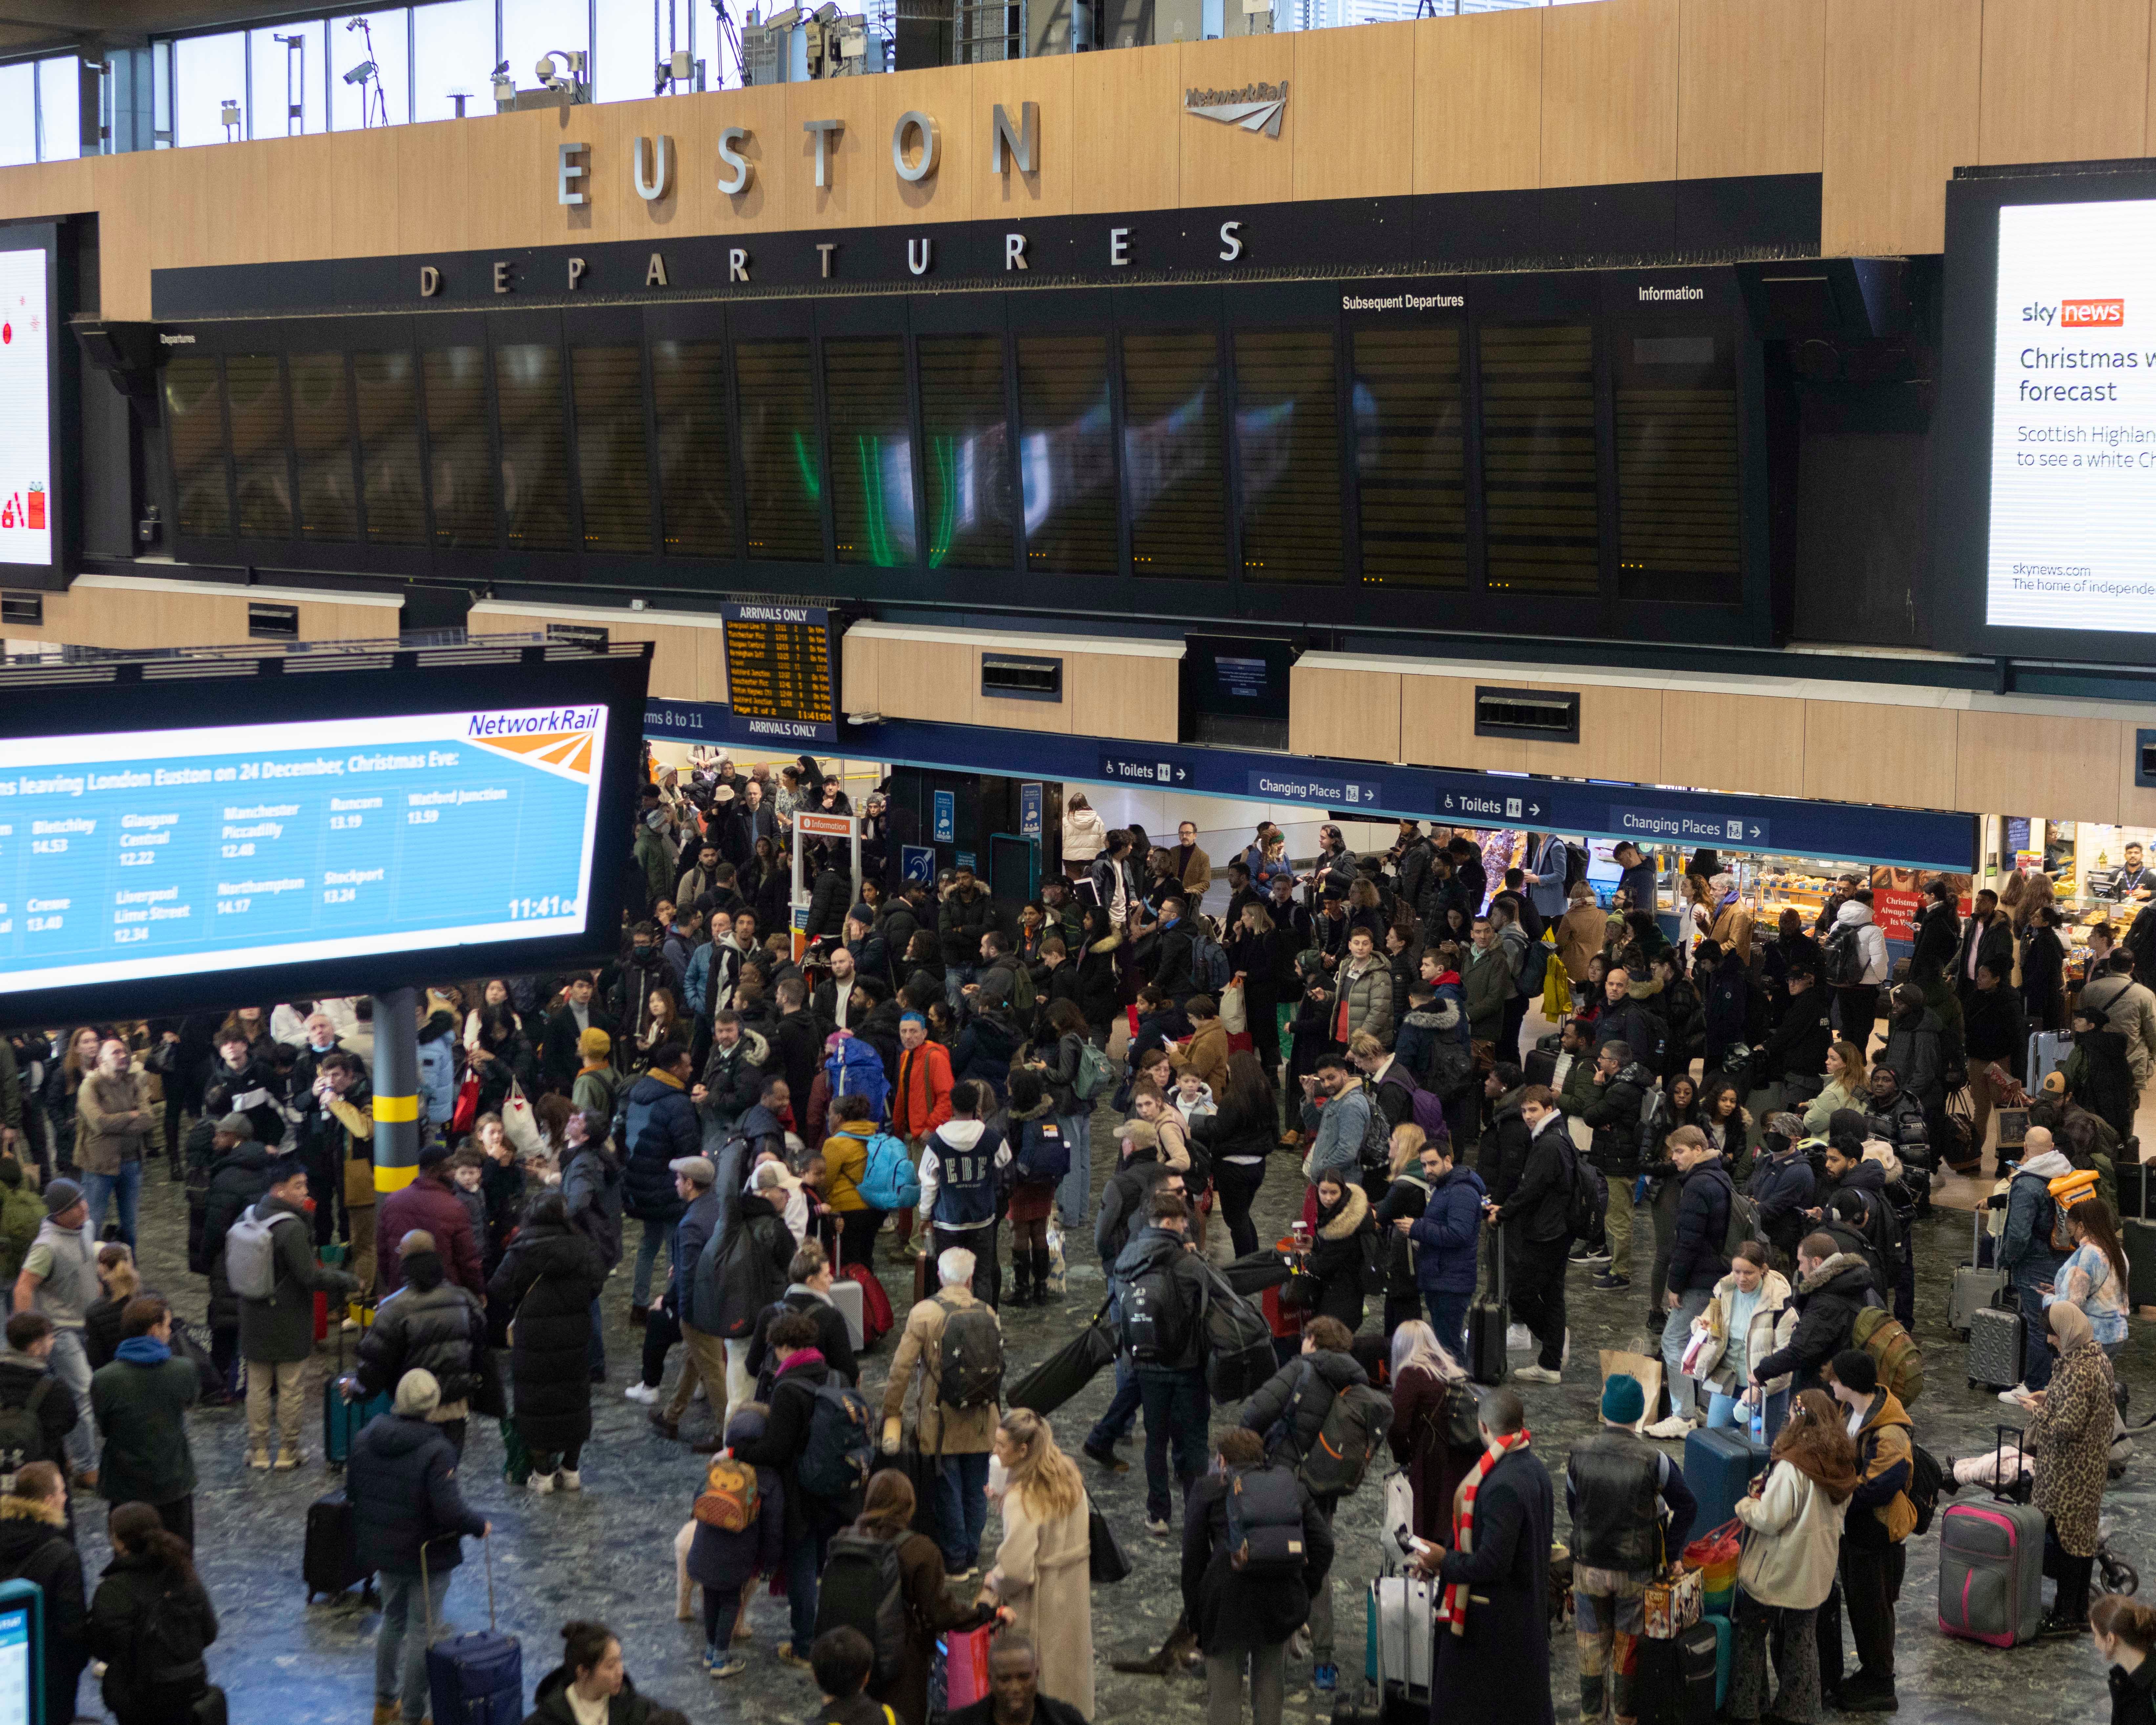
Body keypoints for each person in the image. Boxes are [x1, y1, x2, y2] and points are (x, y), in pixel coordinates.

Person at [1235, 1315, 1373, 1691]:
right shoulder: (1356, 1382)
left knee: (1277, 1562)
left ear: (1312, 1340)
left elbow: (1255, 1412)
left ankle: (1270, 1662)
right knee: (1319, 1563)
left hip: (1285, 1481)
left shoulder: (1301, 1369)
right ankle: (1324, 1665)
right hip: (1325, 1486)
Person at [349, 1368, 491, 1725]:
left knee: (392, 1621)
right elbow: (449, 1510)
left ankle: (384, 1705)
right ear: (433, 1404)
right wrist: (479, 1525)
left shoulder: (365, 1437)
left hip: (384, 1549)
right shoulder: (437, 1449)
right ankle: (414, 1714)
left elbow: (354, 1493)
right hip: (427, 1555)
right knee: (423, 1633)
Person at [726, 1309, 862, 1668]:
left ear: (786, 1347)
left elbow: (776, 1449)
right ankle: (836, 1636)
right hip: (837, 1487)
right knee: (826, 1565)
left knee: (802, 1566)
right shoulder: (835, 1375)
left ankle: (804, 1646)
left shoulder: (788, 1388)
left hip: (801, 1492)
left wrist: (736, 1451)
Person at [1568, 1373, 1699, 1724]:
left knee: (1590, 1649)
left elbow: (1573, 1506)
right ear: (1639, 1414)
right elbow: (1686, 1505)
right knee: (1629, 1651)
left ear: (1604, 1408)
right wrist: (1673, 1553)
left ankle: (1590, 1716)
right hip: (1636, 1571)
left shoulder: (1578, 1451)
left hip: (1588, 1567)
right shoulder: (1654, 1458)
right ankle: (1625, 1719)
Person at [1182, 1424, 1332, 1725]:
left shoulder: (1208, 1489)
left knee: (1224, 1700)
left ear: (1222, 1461)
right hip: (1278, 1600)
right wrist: (1304, 1588)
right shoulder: (1291, 1488)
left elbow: (1193, 1560)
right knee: (1269, 1696)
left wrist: (1196, 1619)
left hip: (1225, 1603)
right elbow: (1324, 1545)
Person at [1726, 1388, 1857, 1725]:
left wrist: (1745, 1506)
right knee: (1802, 1639)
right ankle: (1798, 1711)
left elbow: (1771, 1517)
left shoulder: (1792, 1466)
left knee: (1752, 1634)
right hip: (1816, 1570)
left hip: (1778, 1569)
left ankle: (1747, 1707)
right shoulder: (1842, 1464)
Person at [881, 1245, 1005, 1575]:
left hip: (941, 1420)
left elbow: (901, 1368)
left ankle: (955, 1558)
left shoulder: (924, 1313)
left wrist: (890, 1411)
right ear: (969, 1278)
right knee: (976, 1486)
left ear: (939, 1276)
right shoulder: (988, 1312)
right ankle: (973, 1554)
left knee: (948, 1488)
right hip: (982, 1417)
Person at [238, 1157, 360, 1470]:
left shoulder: (249, 1215)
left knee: (258, 1386)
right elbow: (309, 1276)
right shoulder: (290, 1227)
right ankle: (287, 1451)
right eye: (298, 1186)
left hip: (253, 1313)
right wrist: (347, 1280)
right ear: (280, 1190)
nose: (306, 1191)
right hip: (288, 1316)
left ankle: (259, 1450)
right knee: (291, 1386)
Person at [839, 1469, 986, 1725]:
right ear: (909, 1505)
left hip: (849, 1650)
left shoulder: (845, 1540)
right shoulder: (920, 1550)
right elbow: (939, 1612)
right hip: (901, 1659)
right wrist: (982, 1613)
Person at [978, 1409, 1095, 1719]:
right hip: (1070, 1596)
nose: (995, 1451)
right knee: (1070, 1685)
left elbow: (1016, 1569)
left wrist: (993, 1581)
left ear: (1023, 1450)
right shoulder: (1068, 1477)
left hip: (1037, 1607)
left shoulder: (1021, 1496)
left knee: (1038, 1693)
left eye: (1001, 1445)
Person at [489, 1190, 606, 1493]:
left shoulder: (522, 1248)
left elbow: (498, 1288)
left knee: (535, 1403)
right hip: (574, 1334)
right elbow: (597, 1283)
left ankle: (542, 1476)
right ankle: (571, 1471)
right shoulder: (582, 1245)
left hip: (533, 1339)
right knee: (575, 1398)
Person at [1821, 1349, 1914, 1713]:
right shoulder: (1850, 1412)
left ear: (1848, 1383)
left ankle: (1881, 1683)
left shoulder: (1890, 1431)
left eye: (1834, 1379)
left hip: (1877, 1534)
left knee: (1874, 1609)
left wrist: (1834, 1491)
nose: (1830, 1383)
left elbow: (1878, 1486)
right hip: (1856, 1530)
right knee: (1861, 1606)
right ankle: (1871, 1671)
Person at [353, 1229, 486, 1461]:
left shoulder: (394, 1307)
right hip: (455, 1407)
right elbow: (480, 1349)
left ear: (404, 1258)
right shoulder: (464, 1298)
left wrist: (357, 1388)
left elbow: (375, 1362)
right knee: (446, 1472)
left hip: (412, 1411)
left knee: (415, 1478)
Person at [2029, 1300, 2119, 1637]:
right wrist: (2049, 1397)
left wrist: (2034, 1410)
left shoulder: (2078, 1370)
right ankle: (2078, 1610)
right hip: (2088, 1470)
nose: (2051, 1340)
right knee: (2080, 1542)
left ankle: (2066, 1614)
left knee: (2066, 1544)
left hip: (2068, 1475)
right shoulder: (2097, 1359)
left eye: (2052, 1334)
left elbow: (2064, 1428)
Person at [87, 1499, 218, 1725]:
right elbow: (209, 1632)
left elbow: (102, 1649)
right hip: (189, 1687)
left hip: (138, 1698)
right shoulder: (184, 1574)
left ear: (118, 1542)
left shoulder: (113, 1589)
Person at [686, 1402, 786, 1680]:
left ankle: (709, 1652)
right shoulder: (766, 1476)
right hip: (738, 1554)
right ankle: (721, 1659)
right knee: (731, 1602)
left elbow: (697, 1500)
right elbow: (774, 1525)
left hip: (704, 1546)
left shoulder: (719, 1465)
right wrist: (771, 1560)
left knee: (710, 1600)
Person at [88, 1297, 198, 1544]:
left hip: (124, 1484)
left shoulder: (105, 1379)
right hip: (172, 1479)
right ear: (154, 1329)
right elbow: (189, 1402)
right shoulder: (184, 1369)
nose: (170, 1332)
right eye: (167, 1325)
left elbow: (104, 1427)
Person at [1493, 1084, 1572, 1386]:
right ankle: (1550, 1362)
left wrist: (1502, 1212)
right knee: (1552, 1294)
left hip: (1547, 1230)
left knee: (1522, 1295)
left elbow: (1531, 1189)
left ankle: (1554, 1343)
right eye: (1524, 1110)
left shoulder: (1549, 1143)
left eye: (1533, 1110)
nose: (1527, 1116)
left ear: (1548, 1109)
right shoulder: (1558, 1136)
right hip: (1558, 1227)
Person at [620, 1041, 699, 1324]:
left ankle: (638, 1305)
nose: (691, 1069)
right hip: (668, 1186)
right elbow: (687, 1149)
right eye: (688, 1064)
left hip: (638, 1184)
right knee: (674, 1247)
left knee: (648, 1243)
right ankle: (671, 1307)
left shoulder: (637, 1092)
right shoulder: (678, 1102)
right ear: (676, 1068)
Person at [0, 1460, 85, 1723]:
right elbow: (73, 1633)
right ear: (49, 1501)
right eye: (62, 1491)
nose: (66, 1496)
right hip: (51, 1682)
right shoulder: (62, 1555)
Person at [1686, 1241, 1796, 1443]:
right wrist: (1702, 1327)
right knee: (1715, 1443)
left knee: (1762, 1450)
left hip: (1766, 1390)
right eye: (1737, 1272)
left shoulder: (1781, 1307)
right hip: (1728, 1381)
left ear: (1763, 1270)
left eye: (1749, 1273)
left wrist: (1760, 1388)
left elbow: (1787, 1359)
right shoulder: (1723, 1292)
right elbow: (1714, 1330)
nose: (1741, 1279)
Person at [916, 1081, 1011, 1308]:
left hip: (948, 1221)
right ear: (976, 1106)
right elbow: (1005, 1165)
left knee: (948, 1278)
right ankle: (986, 1321)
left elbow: (929, 1183)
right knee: (982, 1276)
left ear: (952, 1106)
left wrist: (924, 1215)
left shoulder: (937, 1142)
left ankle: (950, 1319)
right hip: (982, 1219)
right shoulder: (990, 1138)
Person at [1387, 1319, 1483, 1543]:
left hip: (1431, 1461)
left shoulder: (1411, 1374)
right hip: (1462, 1456)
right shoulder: (1451, 1368)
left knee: (1428, 1528)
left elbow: (1397, 1426)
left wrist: (1404, 1457)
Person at [2000, 1127, 2074, 1400]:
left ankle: (2033, 1388)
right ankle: (2058, 1383)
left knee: (2039, 1326)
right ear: (2053, 1145)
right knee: (2059, 1325)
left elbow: (2019, 1234)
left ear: (2024, 1146)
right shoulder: (2066, 1170)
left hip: (2034, 1263)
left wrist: (2008, 1258)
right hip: (2064, 1258)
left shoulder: (2027, 1183)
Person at [1582, 1042, 1652, 1291]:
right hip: (1617, 1156)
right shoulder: (1626, 1083)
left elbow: (1590, 1115)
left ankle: (1621, 1272)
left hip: (1619, 1161)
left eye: (1602, 1058)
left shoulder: (1620, 1089)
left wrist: (1596, 1087)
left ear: (1614, 1063)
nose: (1598, 1061)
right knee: (1616, 1215)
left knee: (1619, 1219)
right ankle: (1616, 1265)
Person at [75, 1038, 152, 1248]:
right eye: (116, 1053)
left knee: (130, 1226)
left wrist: (115, 1123)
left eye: (124, 1052)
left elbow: (147, 1118)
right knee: (92, 1226)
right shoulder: (90, 1086)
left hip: (131, 1163)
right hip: (99, 1166)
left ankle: (130, 1275)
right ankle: (92, 1276)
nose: (123, 1056)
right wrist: (130, 1115)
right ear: (101, 1060)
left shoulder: (134, 1082)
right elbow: (99, 1123)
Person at [527, 1620, 664, 1723]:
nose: (620, 1672)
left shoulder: (642, 1712)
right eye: (610, 1666)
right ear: (583, 1672)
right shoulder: (545, 1720)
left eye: (620, 1661)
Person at [946, 1633, 1089, 1725]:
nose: (1015, 1688)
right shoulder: (962, 1722)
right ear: (990, 1680)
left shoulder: (1067, 1719)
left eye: (1024, 1678)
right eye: (1005, 1680)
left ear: (1037, 1675)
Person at [1306, 1173, 1375, 1332]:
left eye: (1333, 1193)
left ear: (1342, 1191)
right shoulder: (1341, 1212)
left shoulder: (1342, 1228)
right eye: (1323, 1192)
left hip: (1340, 1297)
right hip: (1348, 1291)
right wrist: (1315, 1243)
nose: (1328, 1198)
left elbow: (1322, 1266)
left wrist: (1306, 1255)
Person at [2092, 1595, 2156, 1724]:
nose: (2095, 1642)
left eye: (2095, 1634)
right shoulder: (2125, 1678)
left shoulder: (2144, 1696)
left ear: (2111, 1639)